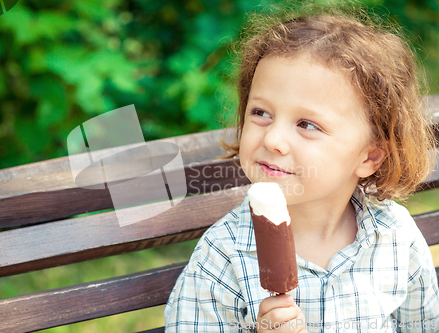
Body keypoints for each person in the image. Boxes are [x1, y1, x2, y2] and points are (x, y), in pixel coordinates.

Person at [164, 4, 439, 333]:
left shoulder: (395, 238)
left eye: (307, 124)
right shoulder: (224, 256)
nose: (274, 139)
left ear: (368, 157)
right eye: (261, 113)